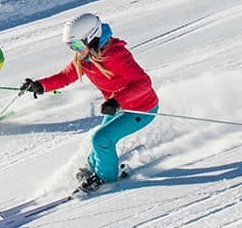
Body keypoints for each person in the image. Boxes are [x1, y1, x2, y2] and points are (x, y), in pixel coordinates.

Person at [20, 12, 158, 192]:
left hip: (142, 108)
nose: (75, 50)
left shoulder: (116, 55)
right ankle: (95, 168)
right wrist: (41, 85)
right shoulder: (85, 59)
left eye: (77, 45)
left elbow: (143, 83)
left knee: (101, 139)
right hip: (118, 107)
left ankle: (106, 179)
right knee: (97, 145)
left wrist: (117, 101)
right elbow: (66, 76)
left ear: (92, 38)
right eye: (71, 46)